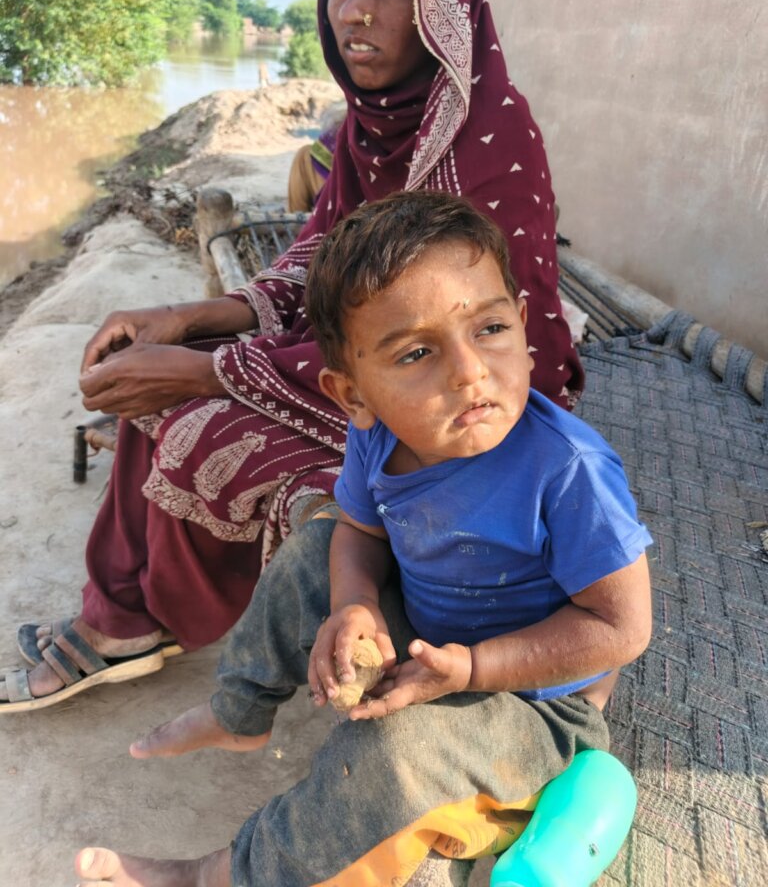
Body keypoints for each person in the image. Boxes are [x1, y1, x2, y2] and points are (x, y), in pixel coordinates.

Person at [0, 0, 583, 711]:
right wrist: (189, 321)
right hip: (369, 374)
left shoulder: (489, 140)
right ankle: (125, 618)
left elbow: (444, 350)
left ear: (448, 3)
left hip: (467, 416)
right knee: (159, 374)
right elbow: (320, 262)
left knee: (200, 424)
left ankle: (152, 624)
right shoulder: (369, 128)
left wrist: (209, 373)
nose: (356, 9)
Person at [73, 192, 652, 887]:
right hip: (432, 635)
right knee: (315, 546)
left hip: (535, 701)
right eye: (416, 352)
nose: (470, 371)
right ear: (352, 394)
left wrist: (470, 671)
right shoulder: (378, 436)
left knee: (386, 753)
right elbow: (358, 532)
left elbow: (621, 628)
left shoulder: (568, 471)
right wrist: (354, 604)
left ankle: (222, 873)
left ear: (523, 324)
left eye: (490, 327)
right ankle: (241, 709)